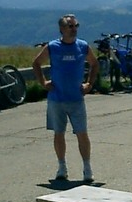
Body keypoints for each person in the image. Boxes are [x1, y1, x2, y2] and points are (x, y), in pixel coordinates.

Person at [32, 14, 99, 183]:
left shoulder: (82, 46)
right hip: (56, 99)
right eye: (70, 26)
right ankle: (62, 167)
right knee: (58, 133)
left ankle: (87, 168)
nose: (74, 29)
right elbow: (36, 63)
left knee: (82, 133)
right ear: (62, 29)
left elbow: (94, 63)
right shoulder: (53, 47)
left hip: (76, 99)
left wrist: (89, 84)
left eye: (76, 25)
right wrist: (42, 82)